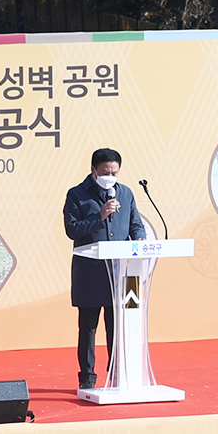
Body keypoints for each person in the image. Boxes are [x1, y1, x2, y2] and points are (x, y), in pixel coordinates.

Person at [63, 147, 147, 390]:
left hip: (119, 274)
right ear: (93, 171)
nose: (110, 176)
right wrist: (99, 216)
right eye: (105, 172)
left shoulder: (126, 193)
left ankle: (117, 374)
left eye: (115, 172)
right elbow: (72, 229)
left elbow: (135, 224)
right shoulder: (77, 195)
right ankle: (87, 377)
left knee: (116, 327)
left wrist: (140, 239)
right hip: (90, 273)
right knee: (88, 329)